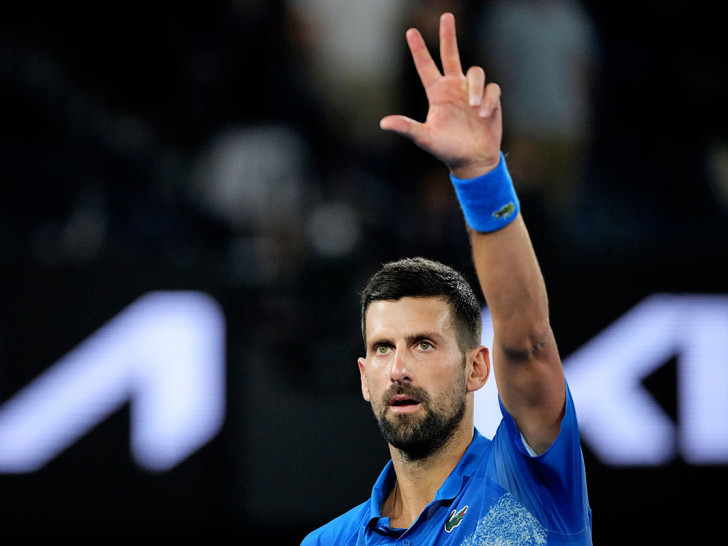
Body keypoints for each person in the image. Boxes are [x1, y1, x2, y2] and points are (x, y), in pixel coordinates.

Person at [301, 12, 592, 545]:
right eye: (383, 348)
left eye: (424, 344)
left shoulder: (529, 484)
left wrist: (480, 175)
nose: (399, 369)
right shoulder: (327, 544)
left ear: (476, 367)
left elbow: (527, 342)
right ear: (364, 378)